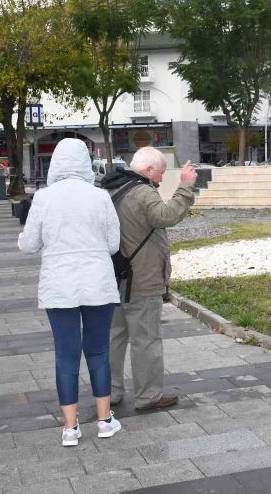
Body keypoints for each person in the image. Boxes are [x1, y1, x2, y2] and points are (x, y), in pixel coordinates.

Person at [17, 138, 123, 447]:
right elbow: (113, 244)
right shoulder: (101, 197)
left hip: (59, 285)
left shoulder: (43, 198)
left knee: (65, 355)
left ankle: (69, 428)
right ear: (85, 162)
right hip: (97, 283)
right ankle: (104, 421)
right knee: (99, 350)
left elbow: (30, 245)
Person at [103, 147, 197, 410]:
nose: (162, 178)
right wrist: (185, 187)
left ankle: (109, 392)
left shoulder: (111, 189)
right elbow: (165, 217)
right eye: (162, 172)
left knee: (114, 337)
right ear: (148, 170)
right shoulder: (142, 192)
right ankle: (148, 396)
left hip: (113, 276)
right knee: (146, 338)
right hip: (142, 280)